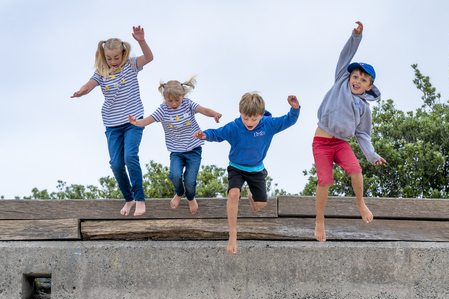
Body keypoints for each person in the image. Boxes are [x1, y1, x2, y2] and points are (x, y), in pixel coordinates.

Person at [193, 93, 300, 254]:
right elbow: (218, 133)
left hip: (256, 170)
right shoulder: (235, 127)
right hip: (236, 167)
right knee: (234, 194)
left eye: (254, 119)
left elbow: (288, 120)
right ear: (240, 113)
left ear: (261, 115)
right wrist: (205, 135)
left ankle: (251, 195)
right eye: (245, 118)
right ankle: (232, 234)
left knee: (261, 205)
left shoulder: (269, 124)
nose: (249, 123)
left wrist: (295, 108)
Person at [313, 21, 385, 242]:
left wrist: (372, 156)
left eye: (363, 80)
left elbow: (363, 134)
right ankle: (319, 220)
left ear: (369, 87)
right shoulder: (340, 81)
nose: (357, 81)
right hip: (321, 141)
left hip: (341, 143)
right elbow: (345, 56)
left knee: (356, 170)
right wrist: (356, 37)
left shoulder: (364, 107)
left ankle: (360, 203)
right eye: (356, 77)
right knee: (325, 181)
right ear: (349, 77)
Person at [71, 26, 153, 217]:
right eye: (109, 58)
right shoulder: (101, 72)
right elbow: (89, 85)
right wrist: (81, 91)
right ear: (104, 56)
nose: (113, 61)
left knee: (130, 157)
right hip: (112, 125)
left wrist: (141, 40)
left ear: (123, 54)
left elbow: (149, 58)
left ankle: (140, 199)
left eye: (116, 58)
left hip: (133, 121)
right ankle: (129, 198)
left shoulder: (132, 65)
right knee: (116, 164)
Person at [129, 77, 222, 214]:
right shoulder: (163, 110)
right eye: (169, 100)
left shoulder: (188, 104)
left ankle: (190, 197)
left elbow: (204, 110)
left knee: (190, 181)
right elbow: (146, 121)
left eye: (177, 100)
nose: (173, 103)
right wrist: (136, 122)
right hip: (176, 152)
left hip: (194, 149)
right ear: (165, 98)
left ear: (183, 96)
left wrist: (215, 114)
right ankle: (179, 193)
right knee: (174, 175)